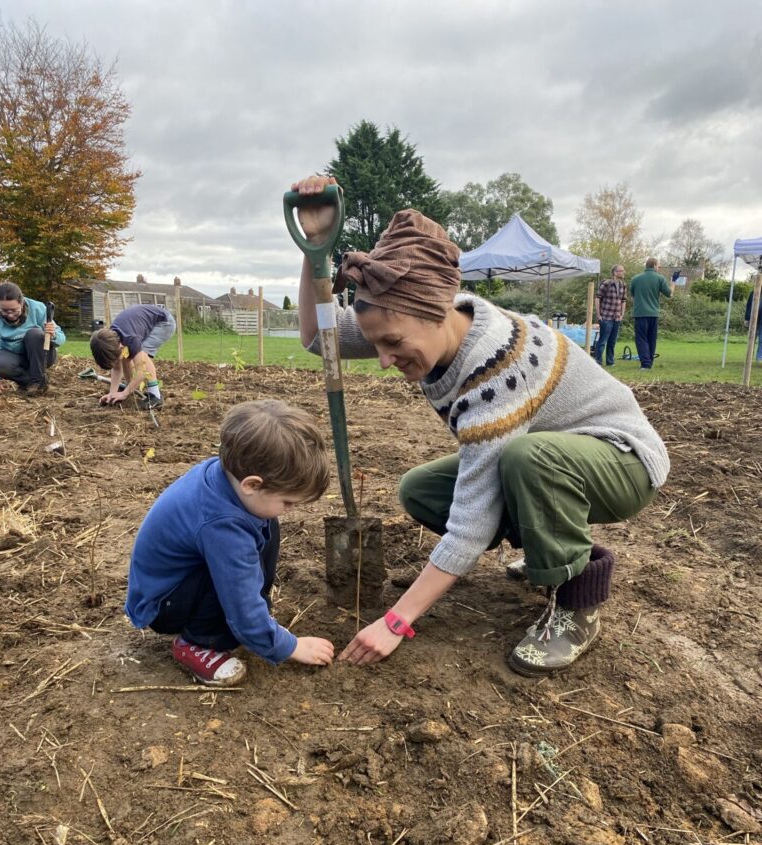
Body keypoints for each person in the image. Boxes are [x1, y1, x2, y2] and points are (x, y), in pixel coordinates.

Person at [292, 175, 670, 676]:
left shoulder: (496, 367)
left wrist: (397, 620)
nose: (383, 360)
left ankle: (578, 603)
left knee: (525, 459)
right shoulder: (417, 321)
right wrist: (315, 249)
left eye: (393, 344)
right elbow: (321, 339)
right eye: (376, 344)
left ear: (436, 313)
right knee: (422, 490)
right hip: (556, 455)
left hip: (623, 460)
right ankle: (545, 549)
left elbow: (470, 524)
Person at [125, 399, 335, 684]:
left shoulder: (230, 481)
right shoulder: (222, 526)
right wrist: (289, 646)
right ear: (252, 484)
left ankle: (251, 624)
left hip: (183, 578)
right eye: (288, 501)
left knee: (266, 521)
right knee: (237, 573)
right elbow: (239, 593)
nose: (291, 509)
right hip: (164, 604)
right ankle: (197, 643)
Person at [90, 303, 176, 410]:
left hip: (164, 322)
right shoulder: (111, 339)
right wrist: (112, 394)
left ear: (120, 347)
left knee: (143, 354)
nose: (117, 362)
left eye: (116, 358)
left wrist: (124, 394)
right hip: (138, 324)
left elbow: (141, 371)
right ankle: (132, 388)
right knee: (126, 358)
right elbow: (117, 368)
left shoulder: (131, 339)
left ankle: (155, 396)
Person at [0, 282, 65, 396]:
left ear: (22, 303)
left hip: (41, 355)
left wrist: (53, 335)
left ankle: (37, 381)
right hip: (12, 356)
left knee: (35, 334)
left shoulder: (38, 308)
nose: (10, 315)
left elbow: (61, 338)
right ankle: (31, 382)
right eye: (5, 311)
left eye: (14, 310)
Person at [629, 258, 676, 369]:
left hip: (640, 313)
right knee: (651, 338)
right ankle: (649, 362)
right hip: (654, 313)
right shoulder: (660, 278)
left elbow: (633, 294)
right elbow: (670, 294)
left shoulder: (635, 279)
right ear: (654, 265)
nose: (658, 268)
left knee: (641, 338)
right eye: (658, 266)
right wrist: (674, 281)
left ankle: (645, 364)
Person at [594, 265, 627, 367]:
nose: (623, 272)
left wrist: (622, 314)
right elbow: (597, 298)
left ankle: (610, 362)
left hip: (616, 317)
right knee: (603, 341)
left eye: (623, 271)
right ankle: (598, 362)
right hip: (606, 316)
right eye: (621, 271)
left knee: (612, 341)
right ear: (615, 272)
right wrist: (599, 315)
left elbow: (623, 300)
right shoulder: (606, 283)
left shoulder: (623, 285)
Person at [743, 290, 762, 362]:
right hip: (753, 319)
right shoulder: (754, 292)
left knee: (761, 340)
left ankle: (759, 357)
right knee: (752, 338)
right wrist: (746, 318)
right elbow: (748, 306)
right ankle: (749, 357)